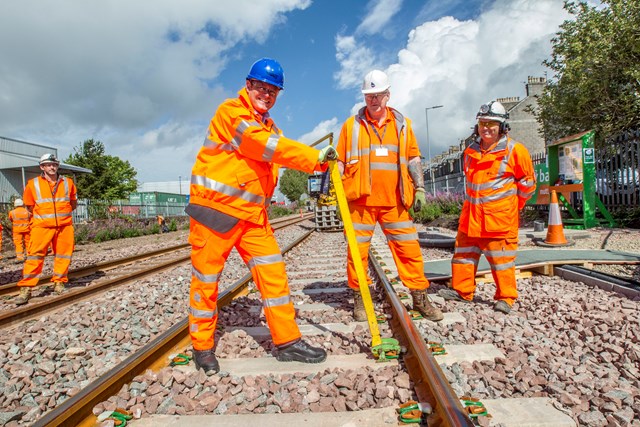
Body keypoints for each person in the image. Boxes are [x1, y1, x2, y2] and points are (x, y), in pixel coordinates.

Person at [185, 58, 336, 375]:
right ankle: (202, 347)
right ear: (249, 84)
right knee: (206, 282)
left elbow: (270, 153)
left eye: (273, 91)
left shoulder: (272, 128)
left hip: (253, 218)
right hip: (216, 214)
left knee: (274, 277)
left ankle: (287, 342)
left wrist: (320, 164)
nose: (266, 94)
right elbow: (260, 145)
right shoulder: (232, 112)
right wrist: (312, 158)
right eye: (262, 87)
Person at [335, 69, 443, 322]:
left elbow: (414, 157)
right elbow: (339, 161)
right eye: (369, 95)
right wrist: (335, 184)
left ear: (388, 95)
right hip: (361, 202)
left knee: (409, 250)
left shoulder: (402, 125)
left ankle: (419, 298)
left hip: (395, 201)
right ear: (364, 96)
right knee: (357, 253)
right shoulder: (351, 126)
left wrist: (420, 187)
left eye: (379, 95)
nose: (374, 100)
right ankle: (361, 299)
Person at [438, 101, 536, 314]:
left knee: (501, 261)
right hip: (471, 217)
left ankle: (506, 297)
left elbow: (527, 186)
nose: (486, 128)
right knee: (463, 255)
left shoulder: (515, 151)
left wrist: (512, 206)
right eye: (483, 123)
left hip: (499, 220)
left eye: (492, 123)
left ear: (502, 127)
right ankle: (463, 291)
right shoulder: (471, 151)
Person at [14, 153, 77, 305]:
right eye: (48, 164)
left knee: (63, 255)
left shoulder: (68, 182)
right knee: (34, 256)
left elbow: (73, 203)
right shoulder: (33, 184)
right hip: (41, 227)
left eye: (54, 164)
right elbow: (29, 205)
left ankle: (59, 282)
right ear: (42, 167)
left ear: (58, 166)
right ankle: (26, 287)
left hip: (64, 226)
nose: (52, 167)